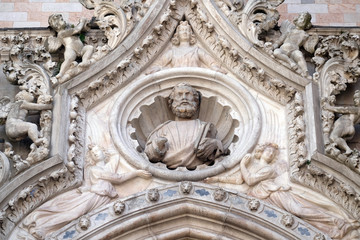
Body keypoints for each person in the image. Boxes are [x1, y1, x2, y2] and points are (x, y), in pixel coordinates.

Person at [22, 144, 151, 239]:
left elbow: (115, 157)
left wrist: (113, 150)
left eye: (97, 151)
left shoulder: (108, 167)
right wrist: (136, 173)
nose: (96, 154)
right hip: (94, 197)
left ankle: (44, 227)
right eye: (93, 153)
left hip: (102, 197)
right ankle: (43, 228)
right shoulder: (95, 170)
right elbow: (118, 178)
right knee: (74, 213)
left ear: (102, 152)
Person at [238, 143, 358, 239]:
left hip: (275, 194)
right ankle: (333, 229)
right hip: (264, 197)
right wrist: (218, 176)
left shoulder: (268, 169)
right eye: (268, 151)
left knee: (299, 210)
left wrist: (243, 165)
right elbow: (238, 179)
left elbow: (250, 180)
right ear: (260, 152)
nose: (270, 154)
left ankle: (336, 221)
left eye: (272, 153)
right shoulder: (253, 167)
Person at [144, 83, 225, 169]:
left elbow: (220, 148)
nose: (184, 98)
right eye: (179, 95)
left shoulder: (206, 128)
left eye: (188, 94)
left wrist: (215, 144)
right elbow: (150, 153)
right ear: (171, 102)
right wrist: (157, 146)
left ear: (196, 101)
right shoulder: (162, 128)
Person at [146, 21, 226, 74]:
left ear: (191, 34)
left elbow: (212, 62)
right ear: (177, 34)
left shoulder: (196, 50)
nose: (184, 32)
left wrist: (214, 68)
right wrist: (158, 69)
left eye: (187, 30)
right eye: (182, 30)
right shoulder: (173, 51)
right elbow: (158, 64)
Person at [47, 14, 94, 82]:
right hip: (71, 49)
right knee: (68, 59)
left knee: (90, 48)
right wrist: (82, 21)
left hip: (81, 49)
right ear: (57, 25)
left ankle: (85, 61)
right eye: (62, 20)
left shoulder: (68, 29)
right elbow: (77, 30)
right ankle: (61, 73)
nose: (64, 21)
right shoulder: (61, 33)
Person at [273, 12, 315, 78]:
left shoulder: (305, 35)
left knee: (300, 56)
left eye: (305, 21)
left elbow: (307, 47)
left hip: (294, 51)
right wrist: (274, 46)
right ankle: (290, 62)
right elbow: (280, 40)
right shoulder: (289, 30)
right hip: (284, 49)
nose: (302, 21)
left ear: (307, 24)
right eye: (301, 19)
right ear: (297, 20)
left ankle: (306, 73)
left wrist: (313, 44)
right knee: (276, 53)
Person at [323, 90, 360, 155]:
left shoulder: (357, 109)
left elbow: (343, 109)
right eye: (355, 99)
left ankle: (347, 149)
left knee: (333, 136)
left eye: (357, 98)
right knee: (336, 138)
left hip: (346, 123)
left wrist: (329, 107)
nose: (355, 100)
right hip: (349, 127)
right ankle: (346, 149)